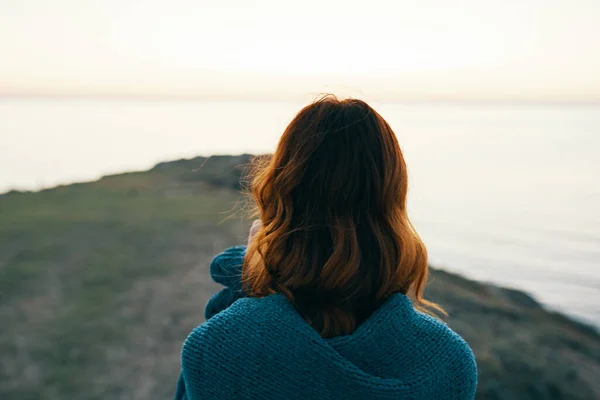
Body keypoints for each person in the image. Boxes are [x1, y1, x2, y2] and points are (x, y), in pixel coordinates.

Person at [175, 95, 477, 399]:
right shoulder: (449, 363)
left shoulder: (218, 349)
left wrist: (256, 275)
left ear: (280, 195)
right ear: (392, 203)